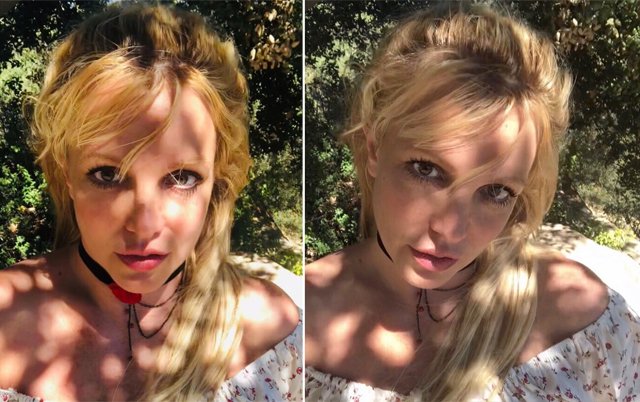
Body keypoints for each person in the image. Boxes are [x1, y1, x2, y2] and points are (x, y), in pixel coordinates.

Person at [305, 3, 640, 401]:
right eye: (426, 170)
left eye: (496, 192)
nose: (450, 230)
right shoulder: (296, 329)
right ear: (375, 147)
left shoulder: (586, 321)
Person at [0, 4, 301, 401]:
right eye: (107, 175)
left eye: (182, 178)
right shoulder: (6, 323)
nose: (144, 226)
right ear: (65, 171)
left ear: (218, 176)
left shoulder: (273, 335)